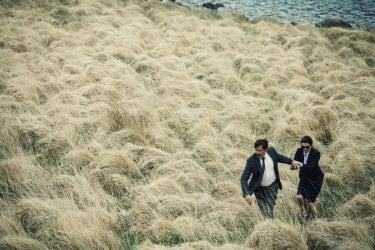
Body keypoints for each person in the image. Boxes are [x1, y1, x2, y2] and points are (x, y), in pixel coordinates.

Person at [240, 139, 300, 218]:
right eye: (256, 150)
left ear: (265, 150)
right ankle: (269, 224)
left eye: (259, 150)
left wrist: (291, 161)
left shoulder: (272, 152)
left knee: (269, 208)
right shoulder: (251, 161)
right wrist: (247, 194)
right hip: (259, 190)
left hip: (272, 186)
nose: (257, 152)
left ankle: (270, 225)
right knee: (264, 210)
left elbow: (279, 157)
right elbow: (243, 178)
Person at [291, 135, 324, 220]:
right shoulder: (299, 151)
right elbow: (294, 163)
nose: (305, 149)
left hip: (315, 179)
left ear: (311, 145)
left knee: (310, 202)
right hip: (304, 178)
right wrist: (293, 166)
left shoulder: (316, 154)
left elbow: (311, 167)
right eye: (303, 147)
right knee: (299, 197)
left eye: (307, 147)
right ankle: (306, 214)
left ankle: (316, 220)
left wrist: (300, 164)